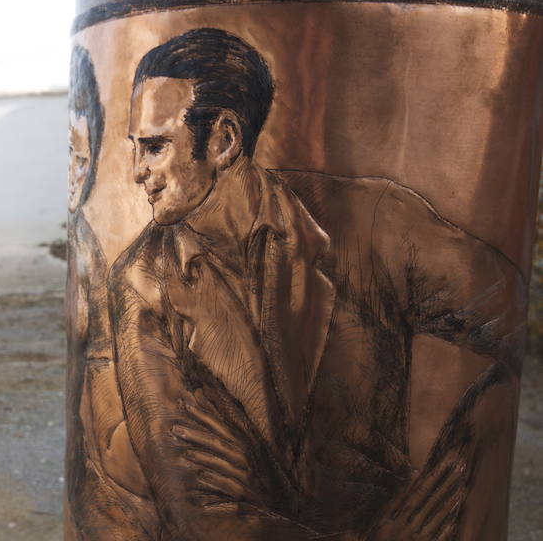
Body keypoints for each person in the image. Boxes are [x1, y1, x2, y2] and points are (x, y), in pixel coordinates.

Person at [108, 27, 525, 539]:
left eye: (153, 148)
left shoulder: (373, 222)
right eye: (136, 148)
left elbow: (508, 312)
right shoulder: (139, 282)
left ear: (223, 140)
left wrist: (463, 459)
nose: (135, 173)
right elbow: (196, 511)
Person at [65, 45, 158, 540]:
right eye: (70, 155)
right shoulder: (88, 242)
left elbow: (102, 360)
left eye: (85, 156)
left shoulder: (100, 254)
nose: (77, 172)